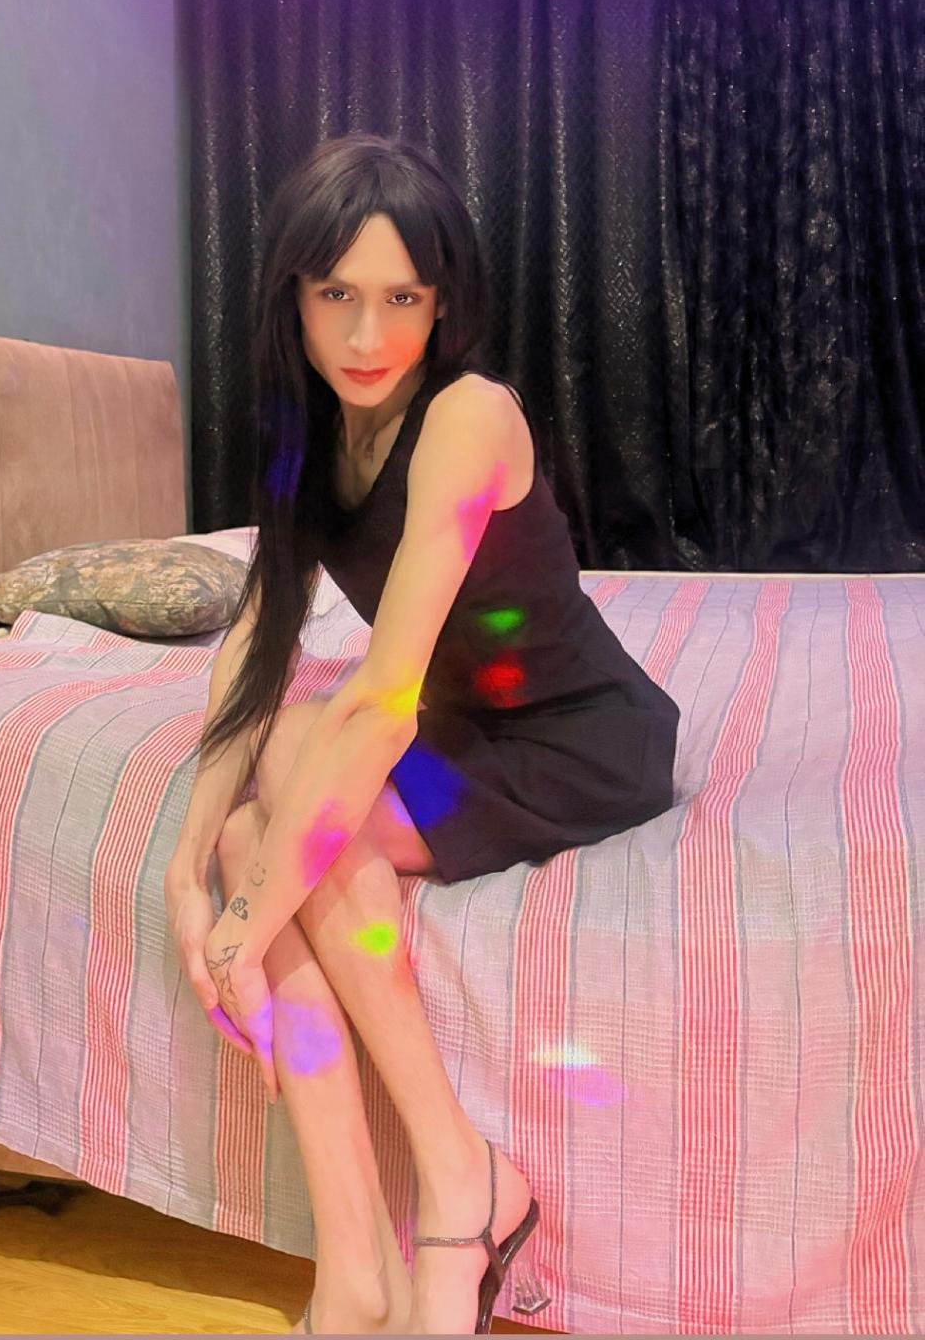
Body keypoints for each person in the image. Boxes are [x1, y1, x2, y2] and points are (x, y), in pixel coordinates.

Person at [164, 134, 681, 1335]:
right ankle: (354, 1268)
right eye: (335, 294)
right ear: (292, 295)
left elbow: (381, 697)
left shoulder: (466, 416)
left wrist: (245, 926)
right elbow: (259, 632)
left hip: (576, 738)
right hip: (461, 728)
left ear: (444, 301)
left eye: (402, 297)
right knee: (255, 822)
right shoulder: (309, 430)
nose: (366, 334)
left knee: (295, 838)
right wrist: (190, 871)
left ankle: (457, 1186)